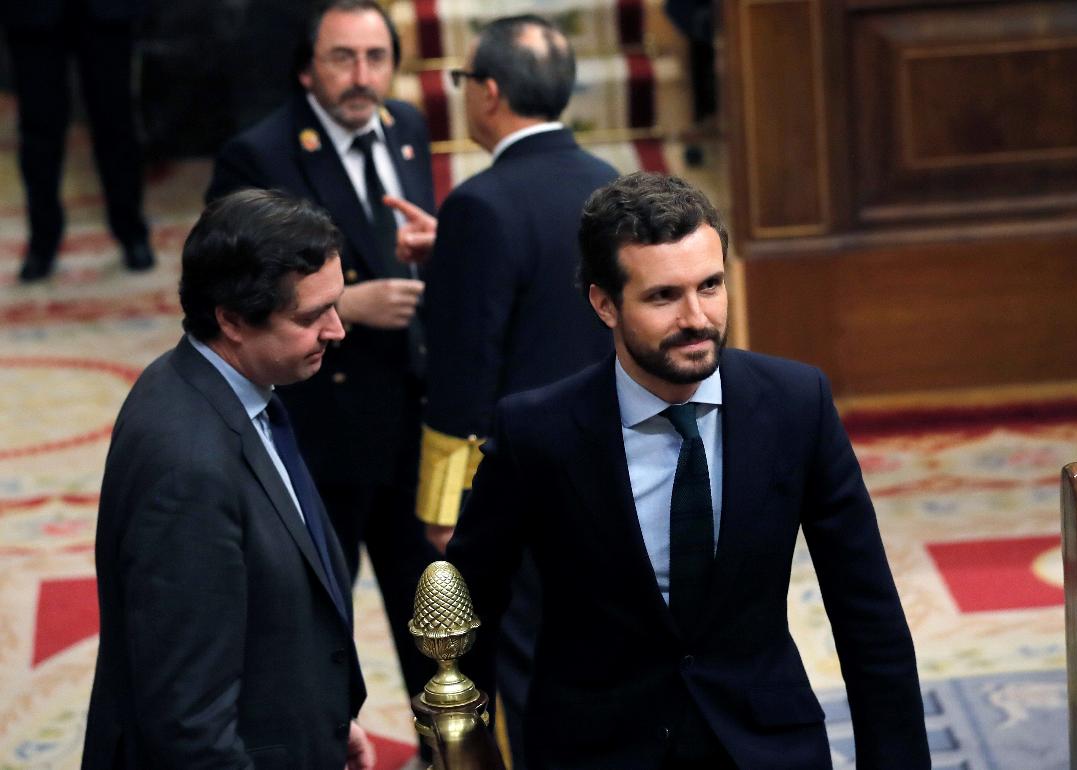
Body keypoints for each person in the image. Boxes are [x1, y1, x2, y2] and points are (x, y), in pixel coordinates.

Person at [447, 172, 931, 769]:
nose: (696, 318)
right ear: (604, 303)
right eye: (662, 296)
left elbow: (868, 611)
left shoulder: (795, 404)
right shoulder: (535, 433)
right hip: (597, 753)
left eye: (711, 286)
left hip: (764, 743)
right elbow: (465, 613)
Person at [83, 189, 374, 769]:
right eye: (311, 316)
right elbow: (188, 722)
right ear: (233, 320)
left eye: (335, 305)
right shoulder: (189, 468)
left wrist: (324, 723)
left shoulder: (226, 388)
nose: (337, 330)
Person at [205, 0, 439, 706]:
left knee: (431, 603)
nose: (361, 76)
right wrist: (349, 305)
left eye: (376, 58)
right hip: (320, 430)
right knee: (312, 621)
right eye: (342, 58)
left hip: (414, 418)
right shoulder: (261, 154)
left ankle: (448, 743)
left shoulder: (408, 128)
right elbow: (230, 289)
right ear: (308, 70)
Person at [413, 15, 616, 763]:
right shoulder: (612, 184)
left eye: (465, 82)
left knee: (525, 668)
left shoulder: (479, 204)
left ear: (489, 93)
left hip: (522, 486)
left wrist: (442, 511)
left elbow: (465, 370)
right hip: (615, 465)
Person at [2, 0, 154, 282]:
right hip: (32, 13)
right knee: (38, 129)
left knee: (116, 121)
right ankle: (41, 242)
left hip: (105, 11)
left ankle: (131, 230)